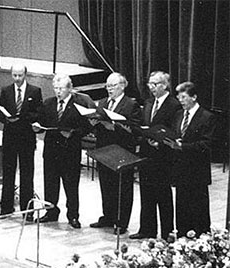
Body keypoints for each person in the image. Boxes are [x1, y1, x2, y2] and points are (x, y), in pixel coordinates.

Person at [33, 74, 95, 228]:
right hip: (51, 151)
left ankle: (73, 216)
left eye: (61, 88)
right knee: (50, 184)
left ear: (70, 89)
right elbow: (42, 122)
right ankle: (51, 212)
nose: (58, 91)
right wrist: (37, 127)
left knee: (71, 186)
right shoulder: (48, 103)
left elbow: (87, 127)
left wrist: (73, 133)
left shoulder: (78, 105)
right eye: (55, 88)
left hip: (70, 151)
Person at [88, 72, 142, 234]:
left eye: (112, 86)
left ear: (122, 86)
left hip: (122, 150)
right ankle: (108, 216)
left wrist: (115, 127)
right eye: (107, 86)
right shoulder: (103, 102)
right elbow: (98, 124)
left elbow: (135, 130)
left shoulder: (130, 104)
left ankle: (121, 221)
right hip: (104, 149)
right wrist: (94, 123)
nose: (109, 89)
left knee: (123, 187)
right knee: (106, 183)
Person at [130, 71, 180, 240]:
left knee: (163, 195)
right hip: (146, 153)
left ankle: (167, 233)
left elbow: (175, 130)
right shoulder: (149, 102)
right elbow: (145, 125)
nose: (151, 87)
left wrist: (160, 142)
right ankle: (147, 229)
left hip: (163, 156)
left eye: (155, 84)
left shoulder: (174, 105)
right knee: (146, 192)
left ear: (164, 85)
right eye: (149, 84)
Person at [165, 82, 217, 237]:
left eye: (184, 97)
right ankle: (182, 237)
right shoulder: (179, 114)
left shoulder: (207, 117)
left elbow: (207, 144)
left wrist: (182, 147)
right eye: (179, 97)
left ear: (194, 97)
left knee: (199, 208)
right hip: (180, 170)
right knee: (181, 207)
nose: (181, 100)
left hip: (197, 172)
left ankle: (201, 239)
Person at [0, 65, 43, 219]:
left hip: (26, 138)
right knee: (8, 173)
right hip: (10, 137)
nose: (17, 78)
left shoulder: (34, 91)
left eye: (20, 75)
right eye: (14, 75)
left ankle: (27, 210)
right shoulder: (6, 90)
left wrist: (22, 118)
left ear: (25, 75)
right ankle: (6, 208)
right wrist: (8, 118)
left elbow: (38, 113)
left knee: (27, 174)